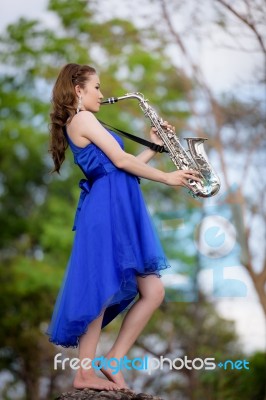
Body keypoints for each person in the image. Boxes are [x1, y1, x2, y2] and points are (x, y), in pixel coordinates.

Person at [47, 63, 201, 391]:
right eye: (97, 87)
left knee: (154, 291)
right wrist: (168, 178)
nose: (102, 95)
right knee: (101, 289)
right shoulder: (83, 118)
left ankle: (113, 359)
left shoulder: (86, 120)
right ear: (79, 90)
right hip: (106, 211)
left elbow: (121, 168)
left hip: (116, 206)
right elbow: (119, 161)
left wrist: (153, 147)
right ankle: (84, 373)